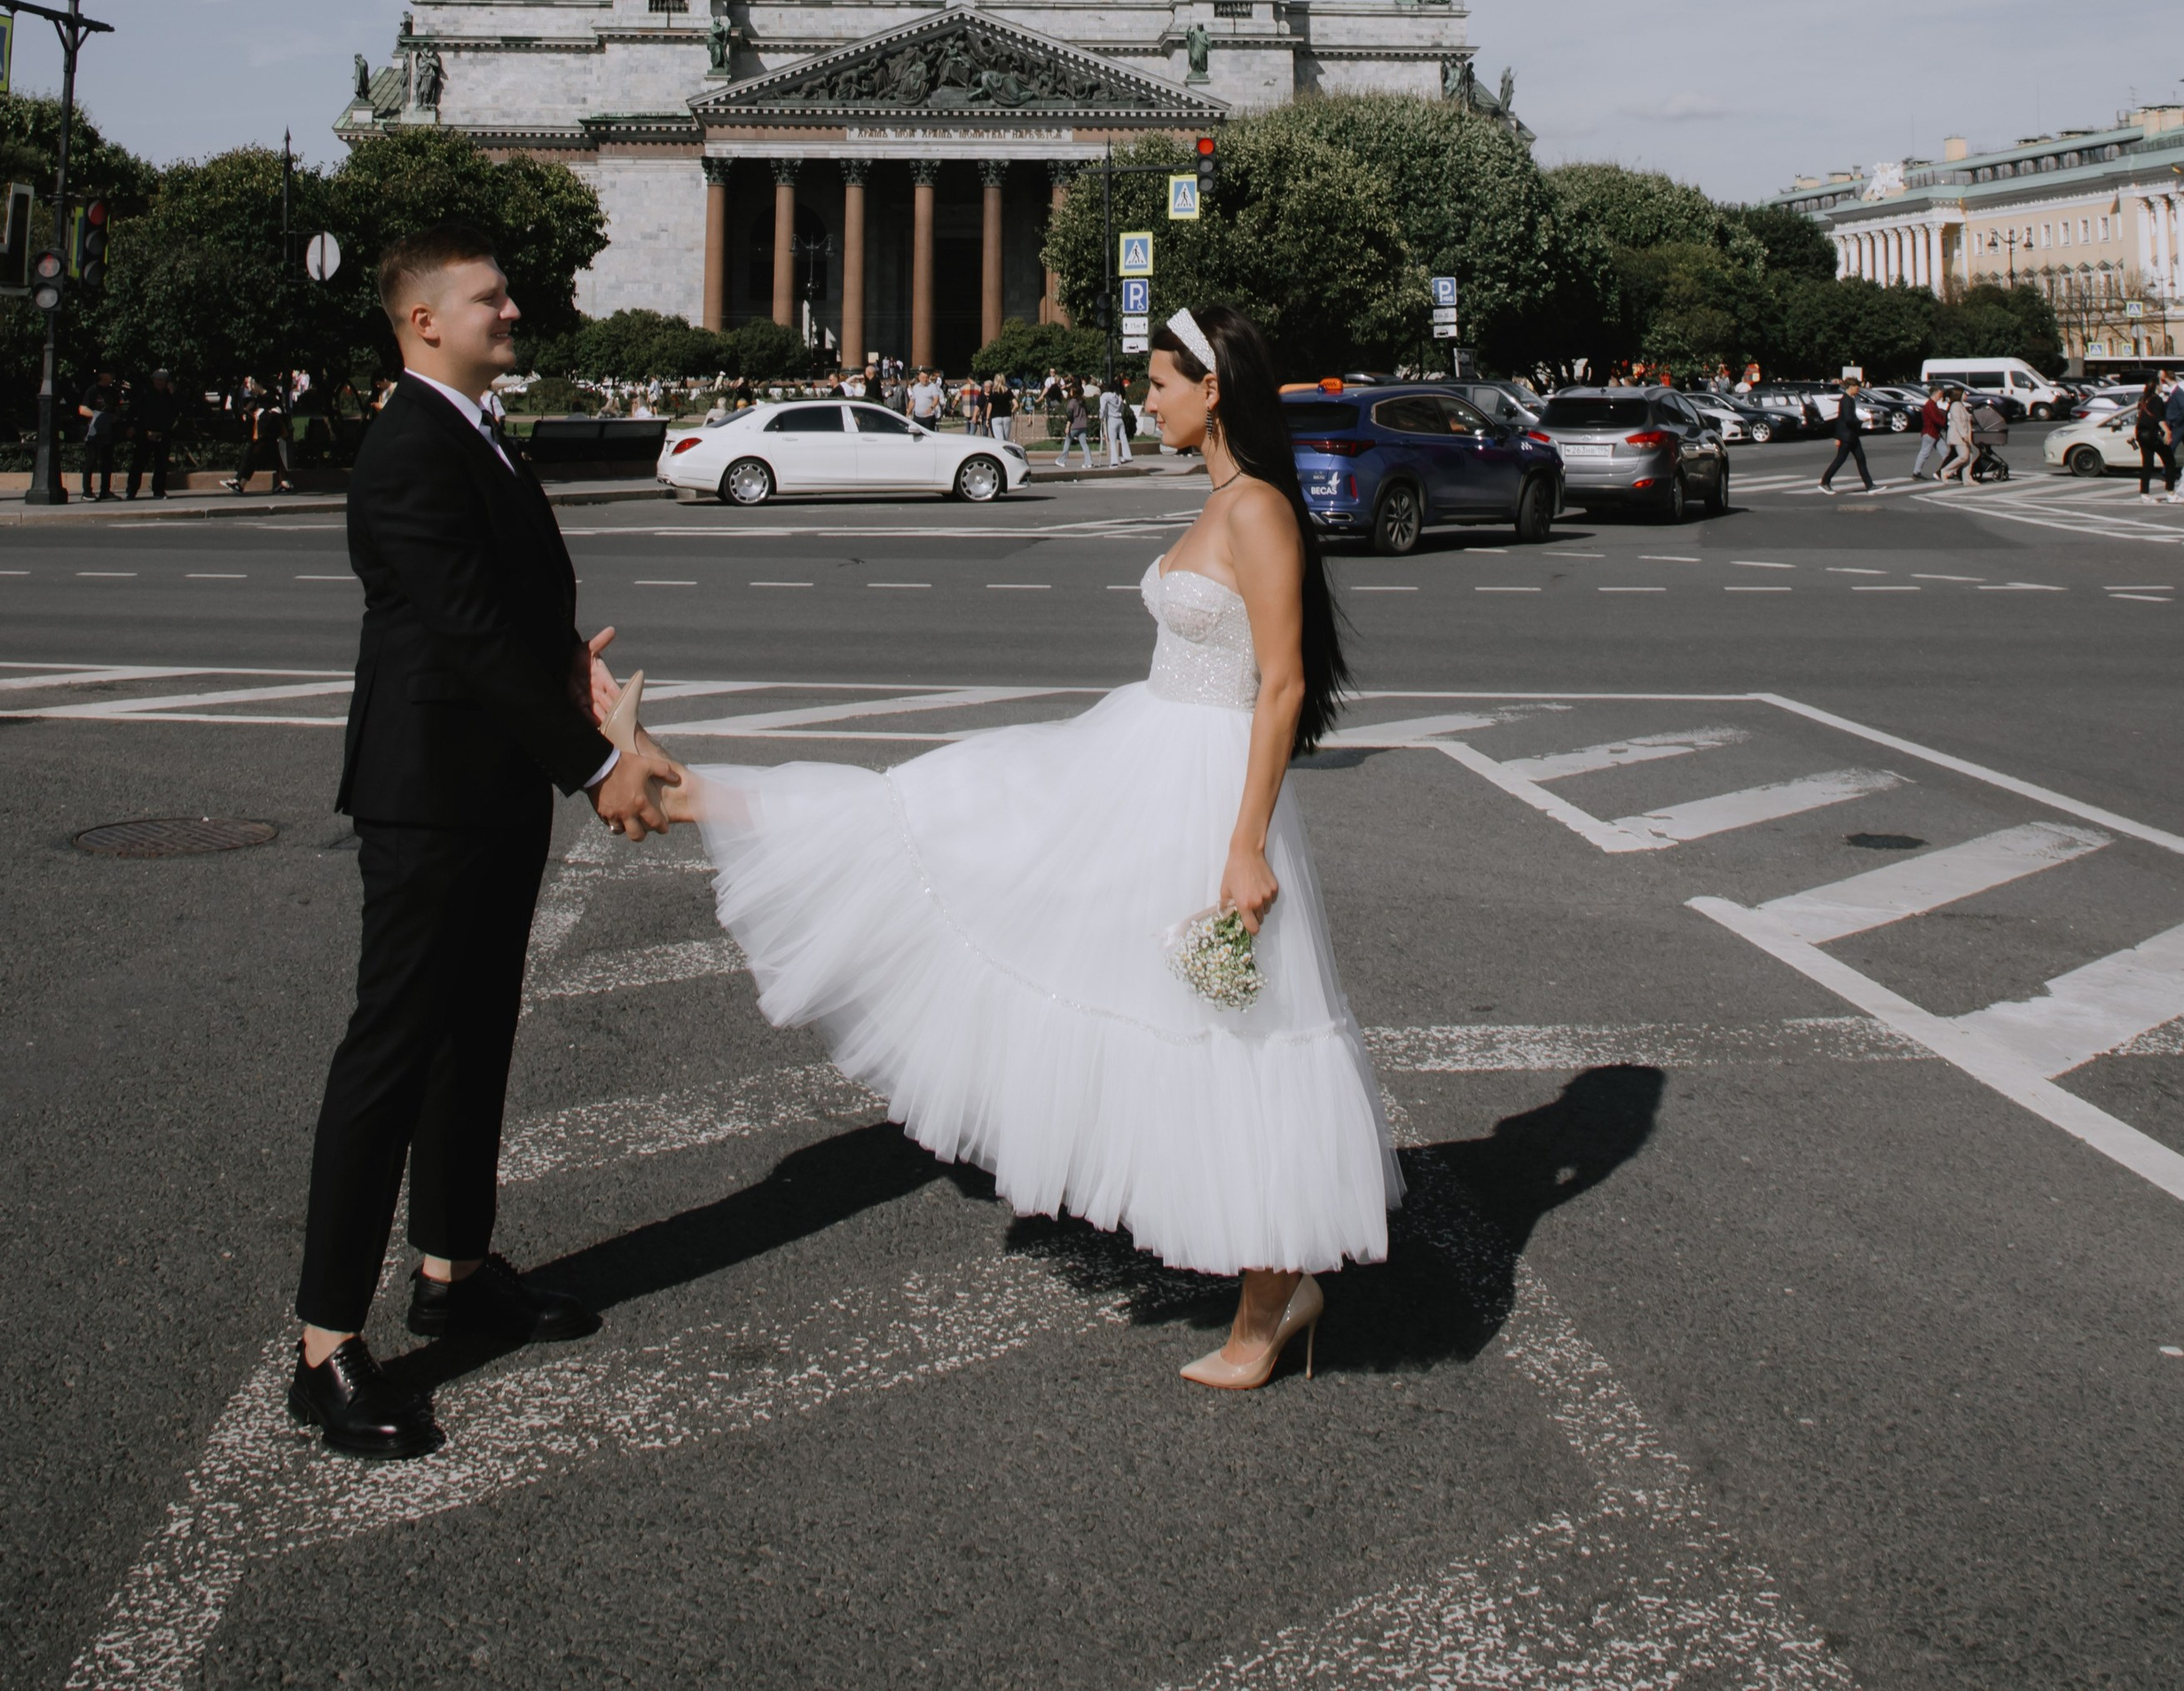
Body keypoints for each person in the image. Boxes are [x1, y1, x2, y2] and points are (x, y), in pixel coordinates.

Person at [671, 302, 1398, 1389]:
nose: (1144, 400)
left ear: (1214, 392)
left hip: (1205, 787)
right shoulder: (1223, 501)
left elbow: (1283, 685)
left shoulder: (1256, 513)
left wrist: (1244, 845)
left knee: (1235, 1035)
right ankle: (688, 793)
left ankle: (1271, 1307)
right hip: (1145, 757)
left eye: (1159, 383)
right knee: (952, 829)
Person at [288, 229, 681, 1460]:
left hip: (490, 779)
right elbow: (456, 628)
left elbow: (496, 610)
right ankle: (323, 1343)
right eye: (489, 297)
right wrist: (602, 764)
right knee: (393, 1051)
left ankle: (454, 1266)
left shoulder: (471, 427)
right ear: (422, 323)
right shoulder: (410, 442)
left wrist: (566, 669)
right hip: (429, 792)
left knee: (473, 1037)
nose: (514, 309)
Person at [125, 368, 177, 501]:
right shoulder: (145, 393)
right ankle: (131, 490)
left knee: (161, 464)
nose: (160, 382)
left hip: (163, 433)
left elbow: (175, 411)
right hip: (146, 433)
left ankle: (159, 490)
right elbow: (133, 410)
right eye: (158, 380)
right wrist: (131, 426)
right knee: (139, 462)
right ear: (153, 380)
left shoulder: (168, 395)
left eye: (163, 380)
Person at [1818, 379, 1874, 493]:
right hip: (1847, 436)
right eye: (1857, 388)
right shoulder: (1846, 400)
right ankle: (1825, 482)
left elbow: (1842, 419)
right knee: (1840, 460)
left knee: (1861, 459)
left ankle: (1870, 485)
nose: (1858, 391)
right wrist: (1861, 420)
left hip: (1851, 435)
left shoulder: (1849, 399)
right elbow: (1847, 419)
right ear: (1851, 387)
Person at [76, 372, 122, 501]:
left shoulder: (113, 391)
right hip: (94, 431)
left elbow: (117, 408)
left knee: (107, 461)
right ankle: (87, 492)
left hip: (108, 430)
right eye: (109, 373)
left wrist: (114, 417)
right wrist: (97, 416)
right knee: (91, 460)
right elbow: (82, 409)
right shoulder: (92, 390)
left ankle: (105, 491)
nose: (112, 376)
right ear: (102, 375)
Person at [2134, 370, 2179, 499]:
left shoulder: (2143, 399)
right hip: (2152, 435)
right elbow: (2159, 419)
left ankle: (2145, 494)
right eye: (2160, 384)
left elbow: (2140, 417)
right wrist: (2168, 432)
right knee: (2170, 461)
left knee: (2147, 464)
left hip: (2141, 434)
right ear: (2156, 386)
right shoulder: (2157, 400)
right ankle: (2170, 493)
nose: (2162, 386)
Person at [1911, 387, 1949, 481]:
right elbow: (1935, 418)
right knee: (1925, 453)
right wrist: (1944, 422)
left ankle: (1948, 471)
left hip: (1935, 433)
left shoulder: (1933, 404)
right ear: (1935, 394)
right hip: (1930, 433)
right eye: (1940, 394)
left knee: (1946, 453)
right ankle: (1916, 472)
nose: (1941, 396)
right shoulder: (1930, 405)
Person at [1938, 389, 1976, 481]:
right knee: (1964, 456)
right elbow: (1958, 421)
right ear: (1959, 395)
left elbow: (1966, 418)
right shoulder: (1955, 405)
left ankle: (1967, 479)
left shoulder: (1960, 405)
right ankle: (1945, 470)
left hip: (1963, 435)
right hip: (1957, 436)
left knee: (1969, 456)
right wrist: (1964, 435)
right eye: (1964, 394)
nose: (1966, 396)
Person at [1099, 369, 1131, 469]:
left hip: (1112, 419)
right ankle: (1127, 456)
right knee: (1123, 437)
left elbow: (1103, 407)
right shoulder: (1117, 396)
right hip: (1120, 419)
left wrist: (1101, 416)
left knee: (1112, 441)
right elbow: (1122, 407)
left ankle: (1114, 462)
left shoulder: (1105, 396)